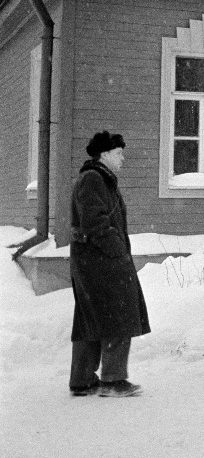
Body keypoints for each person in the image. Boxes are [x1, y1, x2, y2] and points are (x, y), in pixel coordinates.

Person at [68, 131, 150, 398]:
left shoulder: (98, 179)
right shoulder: (93, 179)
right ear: (104, 155)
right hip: (101, 261)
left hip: (91, 260)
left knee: (90, 317)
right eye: (119, 153)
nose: (123, 158)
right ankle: (113, 380)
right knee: (118, 315)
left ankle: (82, 380)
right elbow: (96, 222)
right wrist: (118, 252)